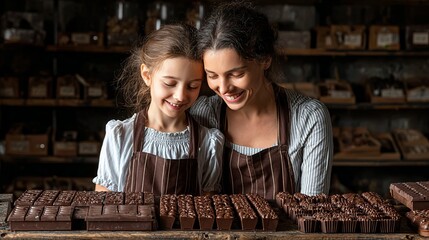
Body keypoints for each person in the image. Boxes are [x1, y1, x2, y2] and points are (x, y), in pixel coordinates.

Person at [190, 1, 333, 199]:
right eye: (212, 75)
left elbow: (312, 212)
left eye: (236, 74)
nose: (223, 88)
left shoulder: (309, 117)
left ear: (265, 59)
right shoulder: (205, 114)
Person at [93, 23, 224, 196]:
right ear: (147, 75)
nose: (180, 96)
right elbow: (105, 205)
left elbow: (208, 210)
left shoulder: (208, 143)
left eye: (192, 86)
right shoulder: (121, 136)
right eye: (170, 83)